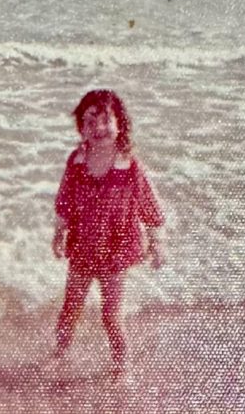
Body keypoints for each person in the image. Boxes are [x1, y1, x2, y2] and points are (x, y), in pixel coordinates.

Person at [51, 89, 165, 381]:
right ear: (81, 126)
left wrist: (157, 242)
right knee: (70, 307)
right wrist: (59, 231)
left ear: (120, 124)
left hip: (116, 249)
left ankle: (121, 363)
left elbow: (148, 204)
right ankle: (58, 354)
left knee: (111, 314)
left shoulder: (129, 165)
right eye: (90, 121)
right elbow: (65, 197)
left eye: (105, 120)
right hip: (82, 245)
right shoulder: (76, 161)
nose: (98, 128)